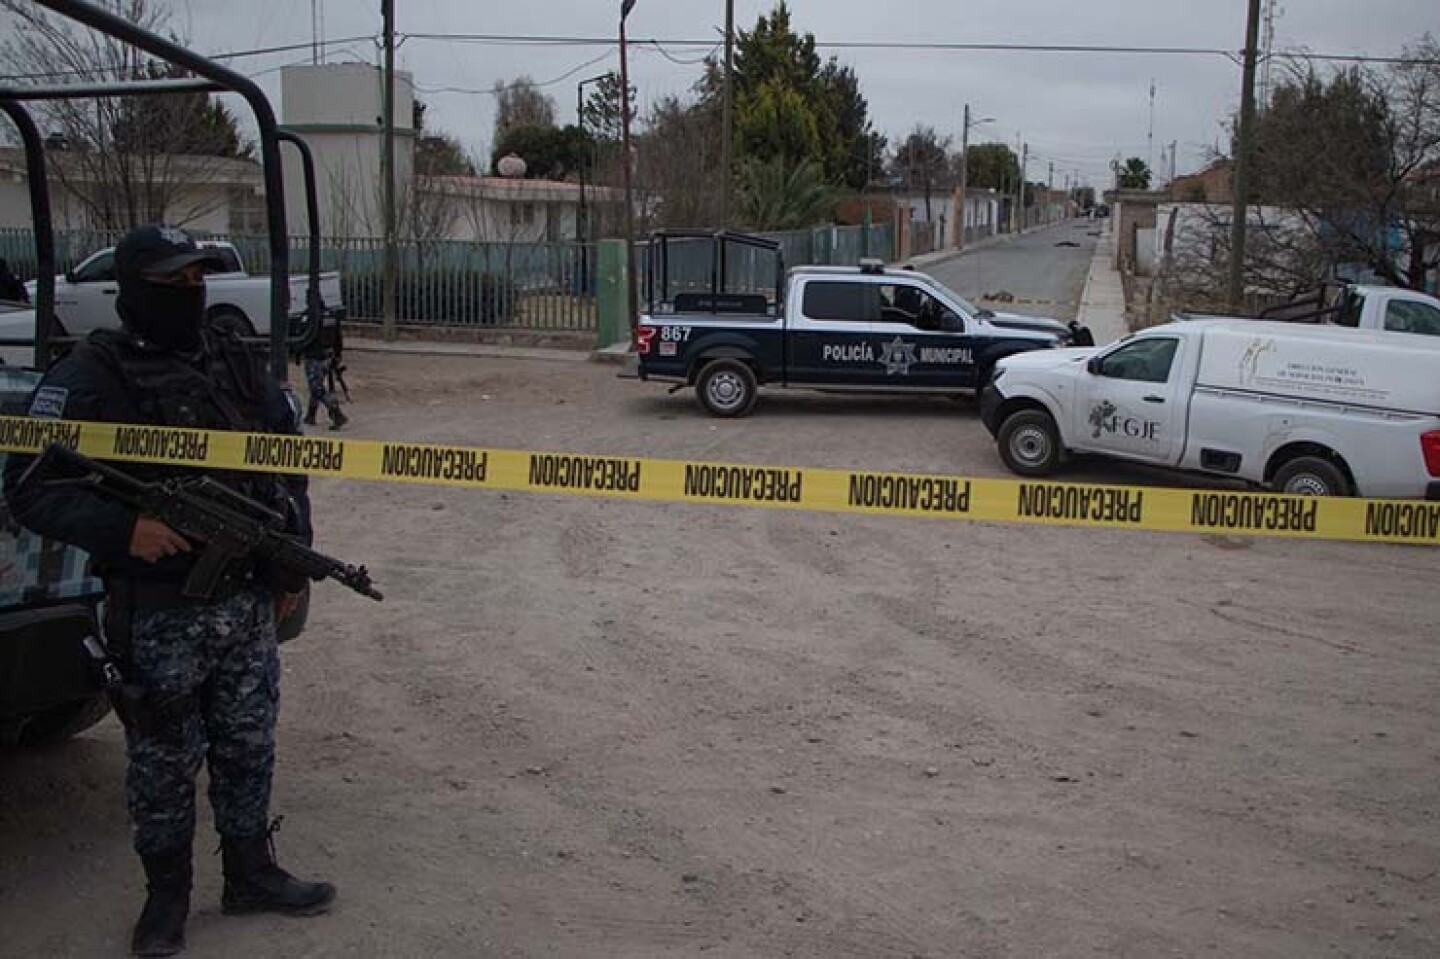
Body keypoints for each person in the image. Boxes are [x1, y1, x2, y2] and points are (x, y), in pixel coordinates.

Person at [3, 224, 334, 957]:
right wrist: (127, 529)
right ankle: (167, 899)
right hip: (158, 608)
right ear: (134, 291)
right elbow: (29, 488)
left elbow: (285, 461)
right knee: (162, 760)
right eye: (174, 283)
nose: (192, 294)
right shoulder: (92, 374)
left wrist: (291, 563)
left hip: (245, 597)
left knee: (248, 742)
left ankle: (250, 871)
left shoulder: (233, 360)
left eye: (198, 281)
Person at [298, 319, 346, 430]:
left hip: (313, 357)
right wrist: (337, 355)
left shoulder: (309, 316)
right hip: (327, 357)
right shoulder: (331, 318)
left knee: (316, 388)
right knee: (317, 385)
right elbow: (338, 337)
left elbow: (304, 337)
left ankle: (336, 413)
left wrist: (298, 352)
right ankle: (311, 415)